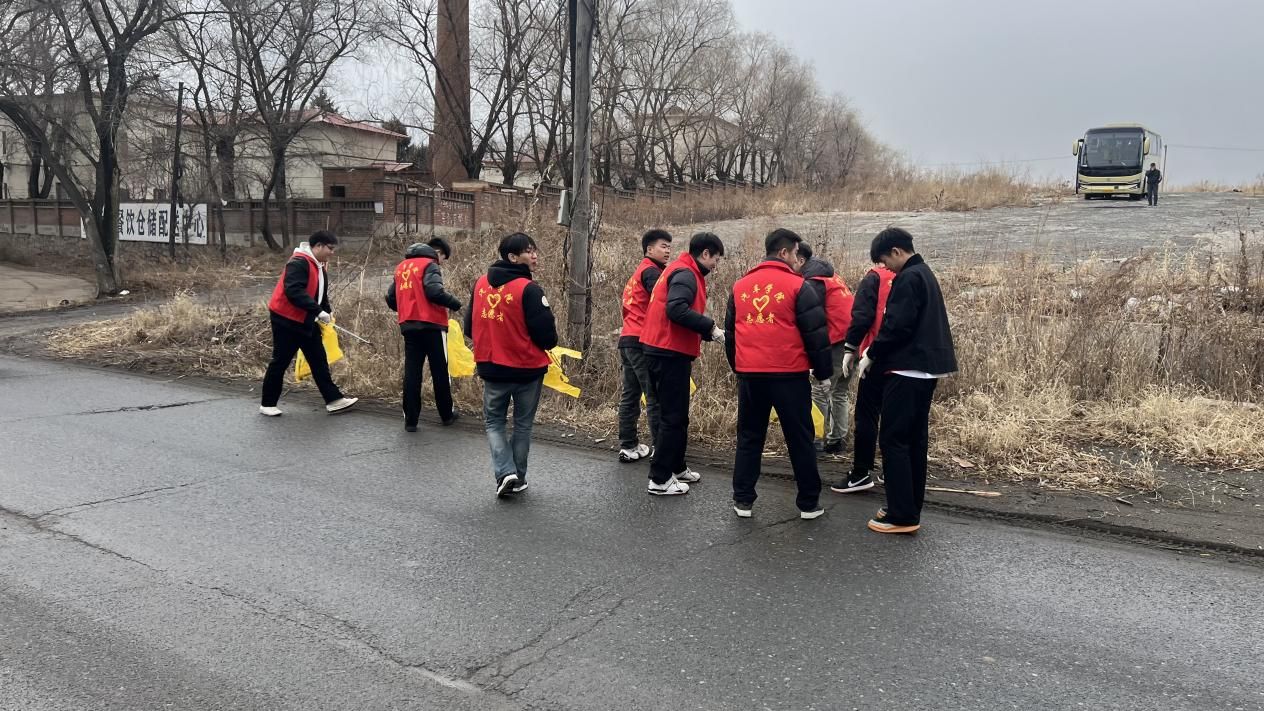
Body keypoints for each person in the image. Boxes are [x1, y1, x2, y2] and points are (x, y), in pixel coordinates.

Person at [725, 229, 832, 519]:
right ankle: (808, 503)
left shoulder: (740, 286)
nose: (798, 260)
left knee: (749, 437)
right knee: (800, 438)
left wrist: (739, 367)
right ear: (784, 253)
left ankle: (743, 500)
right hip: (789, 375)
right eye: (796, 253)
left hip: (751, 376)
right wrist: (823, 372)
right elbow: (815, 334)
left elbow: (731, 335)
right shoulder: (799, 287)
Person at [856, 228, 957, 534]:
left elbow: (896, 326)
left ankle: (902, 516)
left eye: (885, 261)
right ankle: (908, 505)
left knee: (894, 439)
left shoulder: (908, 278)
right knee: (914, 440)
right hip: (926, 369)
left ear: (897, 251)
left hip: (907, 369)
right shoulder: (924, 273)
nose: (886, 268)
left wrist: (871, 353)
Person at [464, 232, 558, 498]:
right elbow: (547, 337)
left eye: (535, 250)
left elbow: (469, 327)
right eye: (529, 251)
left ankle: (506, 473)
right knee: (522, 425)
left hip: (492, 367)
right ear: (513, 257)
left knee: (494, 422)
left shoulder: (481, 284)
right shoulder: (529, 289)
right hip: (527, 368)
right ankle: (517, 477)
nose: (535, 256)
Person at [639, 232, 726, 496]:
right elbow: (676, 309)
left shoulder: (681, 269)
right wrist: (710, 327)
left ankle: (676, 467)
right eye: (716, 259)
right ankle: (660, 478)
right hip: (668, 352)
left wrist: (706, 332)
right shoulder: (686, 274)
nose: (716, 265)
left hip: (662, 349)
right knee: (673, 417)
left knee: (677, 415)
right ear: (705, 254)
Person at [259, 230, 358, 417]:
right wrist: (318, 311)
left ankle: (334, 400)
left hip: (306, 319)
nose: (332, 253)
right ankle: (267, 404)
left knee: (318, 359)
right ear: (318, 246)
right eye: (330, 248)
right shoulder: (298, 262)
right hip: (286, 320)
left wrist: (327, 310)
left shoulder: (319, 264)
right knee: (280, 361)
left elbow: (320, 293)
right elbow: (294, 291)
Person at [830, 261, 896, 494]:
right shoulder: (914, 275)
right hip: (906, 362)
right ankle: (893, 470)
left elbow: (861, 317)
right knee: (896, 417)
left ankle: (861, 472)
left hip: (874, 357)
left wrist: (851, 348)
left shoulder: (874, 278)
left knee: (867, 416)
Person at [386, 238, 463, 432]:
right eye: (443, 258)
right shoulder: (430, 265)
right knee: (440, 371)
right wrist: (455, 304)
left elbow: (391, 297)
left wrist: (405, 308)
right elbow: (434, 291)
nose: (441, 262)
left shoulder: (401, 267)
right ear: (438, 253)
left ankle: (410, 420)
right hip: (433, 325)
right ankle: (446, 414)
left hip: (409, 325)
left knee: (412, 372)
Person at [616, 229, 672, 462]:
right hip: (642, 341)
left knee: (630, 394)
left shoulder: (638, 273)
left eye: (669, 246)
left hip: (628, 339)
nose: (668, 251)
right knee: (654, 395)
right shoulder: (651, 272)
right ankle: (661, 449)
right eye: (663, 246)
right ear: (649, 249)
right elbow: (662, 303)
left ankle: (628, 445)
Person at [798, 242, 855, 456]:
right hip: (853, 340)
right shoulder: (829, 275)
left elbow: (810, 320)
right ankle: (837, 439)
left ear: (801, 260)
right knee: (839, 390)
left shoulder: (812, 282)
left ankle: (816, 440)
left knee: (820, 390)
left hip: (836, 342)